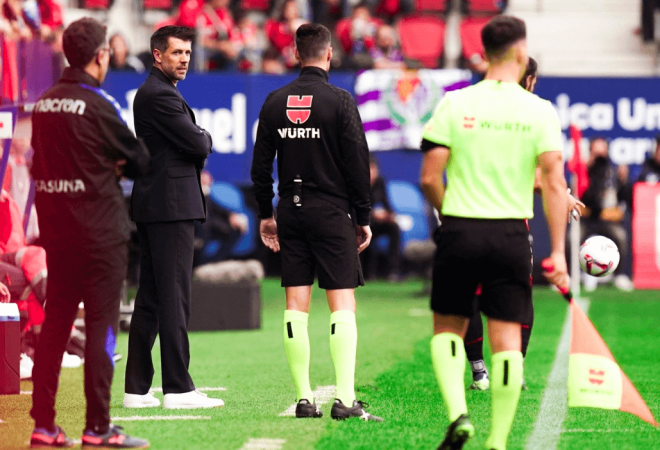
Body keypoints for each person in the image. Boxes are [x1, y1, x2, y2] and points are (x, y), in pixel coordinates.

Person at [419, 16, 569, 450]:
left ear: (483, 54)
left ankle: (458, 416)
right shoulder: (539, 110)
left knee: (448, 329)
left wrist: (452, 214)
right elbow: (554, 183)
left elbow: (430, 177)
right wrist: (557, 251)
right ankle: (498, 441)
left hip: (461, 228)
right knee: (507, 341)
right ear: (521, 54)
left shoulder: (454, 103)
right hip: (510, 235)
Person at [29, 17, 150, 448]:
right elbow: (139, 160)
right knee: (101, 330)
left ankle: (43, 425)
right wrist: (113, 164)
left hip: (57, 235)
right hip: (100, 236)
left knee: (55, 328)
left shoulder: (42, 104)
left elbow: (35, 163)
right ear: (101, 56)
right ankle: (98, 428)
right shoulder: (100, 105)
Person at [251, 23, 381, 422]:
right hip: (331, 213)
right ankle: (344, 399)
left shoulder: (274, 101)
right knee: (342, 302)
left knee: (296, 304)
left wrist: (266, 215)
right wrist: (362, 216)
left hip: (290, 211)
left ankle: (305, 399)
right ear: (329, 55)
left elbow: (260, 169)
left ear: (295, 54)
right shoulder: (340, 101)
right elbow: (358, 165)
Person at [462, 57, 585, 391]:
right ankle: (511, 372)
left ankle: (479, 373)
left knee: (470, 297)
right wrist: (560, 192)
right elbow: (535, 172)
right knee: (516, 298)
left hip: (467, 218)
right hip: (510, 224)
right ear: (529, 79)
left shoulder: (472, 104)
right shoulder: (534, 112)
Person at [125, 25, 223, 410]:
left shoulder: (158, 92)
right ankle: (179, 389)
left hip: (160, 204)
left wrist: (198, 139)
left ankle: (136, 389)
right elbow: (199, 143)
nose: (184, 58)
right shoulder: (158, 95)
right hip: (170, 207)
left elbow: (192, 143)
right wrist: (203, 138)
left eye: (187, 52)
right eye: (177, 52)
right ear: (157, 55)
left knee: (150, 297)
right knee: (173, 297)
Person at [580, 137, 633, 292]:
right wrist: (586, 170)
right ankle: (571, 274)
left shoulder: (613, 173)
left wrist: (624, 181)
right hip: (587, 219)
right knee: (572, 237)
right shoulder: (583, 171)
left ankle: (620, 275)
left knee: (620, 235)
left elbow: (623, 201)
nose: (599, 158)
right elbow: (580, 197)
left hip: (607, 220)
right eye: (596, 154)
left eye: (602, 153)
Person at [360, 156, 401, 280]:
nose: (372, 174)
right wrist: (373, 214)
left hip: (377, 224)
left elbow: (386, 203)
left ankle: (393, 271)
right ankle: (363, 272)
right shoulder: (357, 184)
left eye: (374, 170)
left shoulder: (380, 183)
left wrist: (389, 215)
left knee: (394, 228)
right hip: (362, 222)